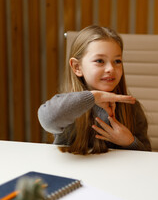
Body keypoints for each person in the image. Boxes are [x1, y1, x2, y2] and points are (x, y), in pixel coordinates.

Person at [38, 25, 151, 154]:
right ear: (77, 67)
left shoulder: (133, 108)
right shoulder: (68, 107)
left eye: (117, 61)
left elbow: (147, 156)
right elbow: (48, 119)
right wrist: (94, 98)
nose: (111, 69)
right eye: (99, 61)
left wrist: (130, 142)